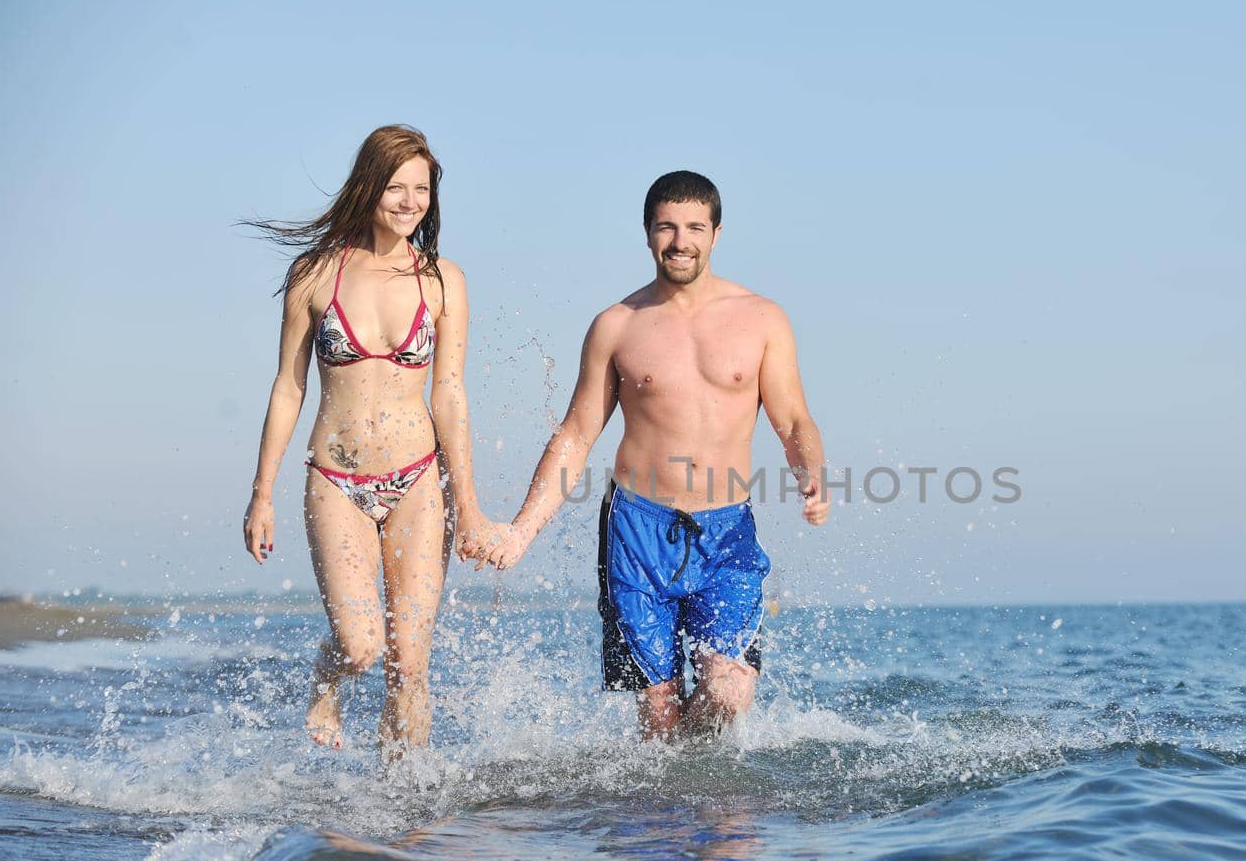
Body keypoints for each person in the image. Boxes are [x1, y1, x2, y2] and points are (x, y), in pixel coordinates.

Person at [483, 171, 828, 739]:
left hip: (727, 530)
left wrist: (810, 473)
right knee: (659, 713)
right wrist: (522, 530)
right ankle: (662, 823)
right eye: (666, 227)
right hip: (636, 529)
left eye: (694, 227)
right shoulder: (616, 326)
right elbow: (575, 435)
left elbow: (793, 419)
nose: (680, 240)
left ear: (716, 233)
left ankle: (698, 802)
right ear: (647, 234)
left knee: (729, 692)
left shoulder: (762, 319)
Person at [241, 125, 497, 754]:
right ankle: (325, 679)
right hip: (337, 479)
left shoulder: (444, 281)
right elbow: (287, 390)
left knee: (409, 667)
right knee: (361, 647)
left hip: (417, 479)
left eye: (422, 189)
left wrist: (469, 506)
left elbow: (450, 396)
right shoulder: (314, 274)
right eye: (396, 186)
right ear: (367, 185)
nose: (410, 201)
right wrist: (262, 494)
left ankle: (402, 820)